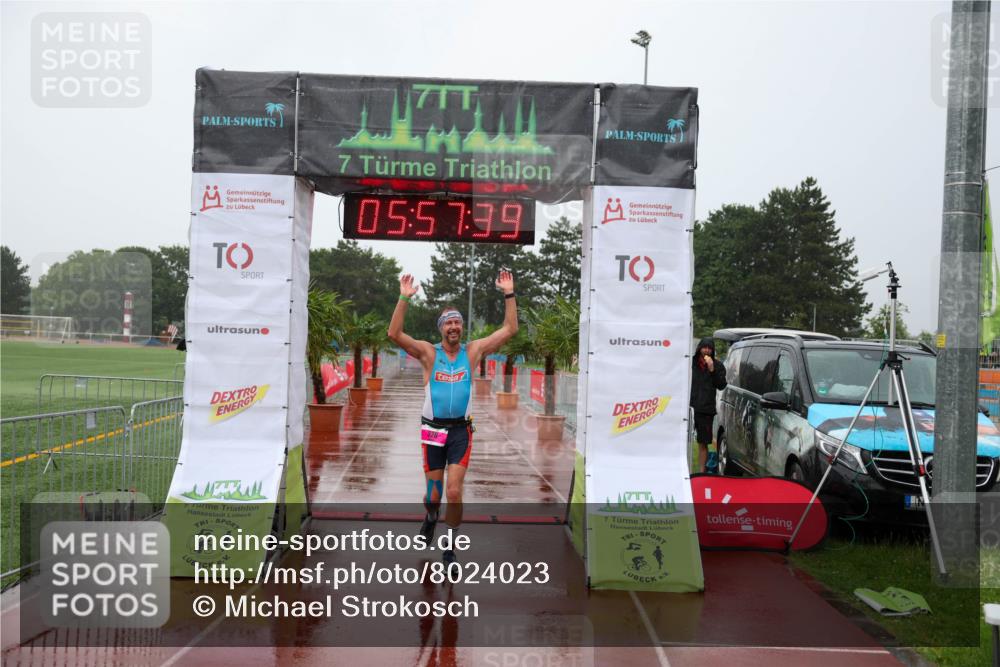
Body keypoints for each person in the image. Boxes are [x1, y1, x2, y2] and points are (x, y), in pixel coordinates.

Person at [388, 269, 518, 564]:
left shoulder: (473, 352)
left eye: (458, 322)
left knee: (455, 491)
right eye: (449, 322)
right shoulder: (427, 354)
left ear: (462, 327)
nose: (454, 326)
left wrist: (509, 293)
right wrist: (403, 298)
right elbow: (394, 334)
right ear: (441, 328)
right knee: (433, 496)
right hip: (433, 431)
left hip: (461, 432)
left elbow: (510, 330)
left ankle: (450, 545)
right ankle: (431, 516)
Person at [690, 337, 727, 474]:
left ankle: (702, 472)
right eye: (704, 347)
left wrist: (712, 369)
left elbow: (721, 385)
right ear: (699, 348)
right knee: (683, 439)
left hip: (706, 409)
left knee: (703, 441)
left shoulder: (717, 365)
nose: (706, 350)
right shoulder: (691, 363)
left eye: (709, 348)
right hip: (689, 407)